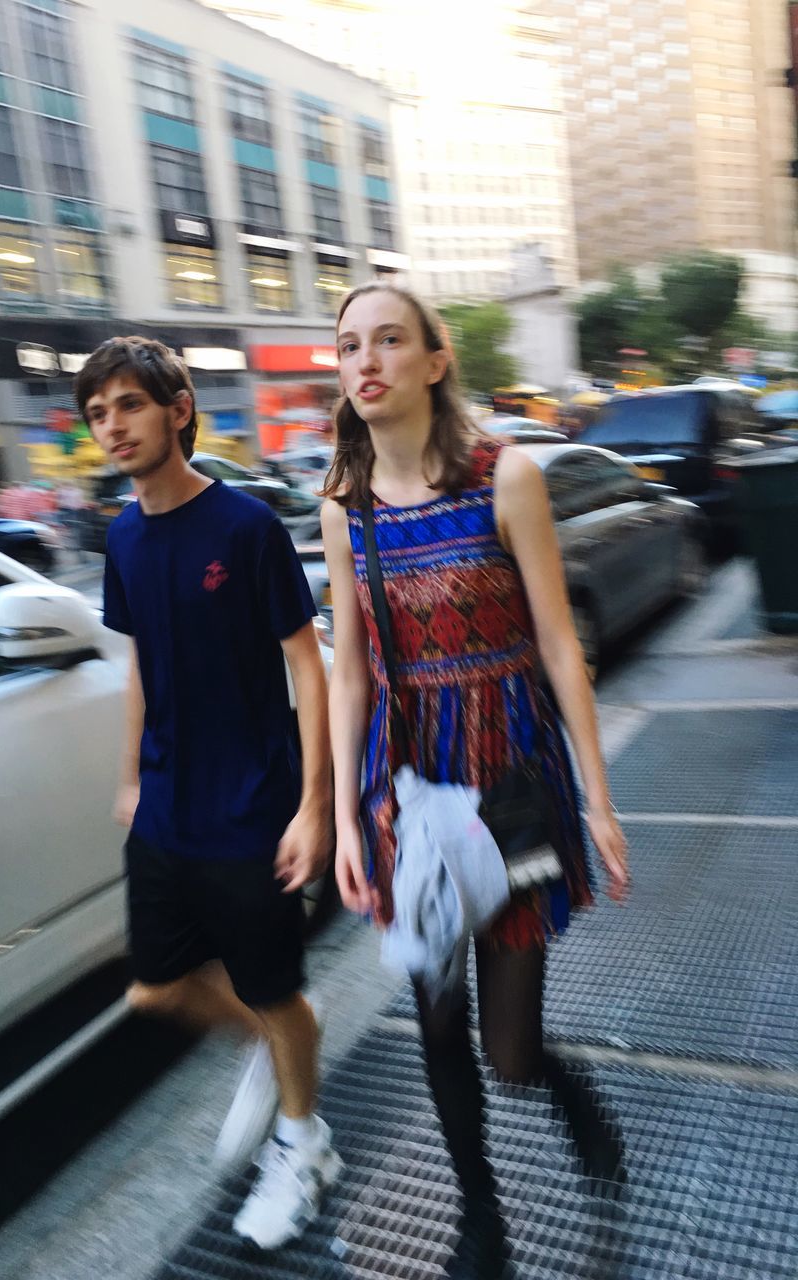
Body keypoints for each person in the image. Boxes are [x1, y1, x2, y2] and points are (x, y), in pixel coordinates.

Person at [320, 283, 630, 1279]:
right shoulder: (344, 499)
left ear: (434, 359)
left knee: (507, 1048)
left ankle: (559, 1081)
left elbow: (557, 641)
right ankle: (480, 1216)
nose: (366, 360)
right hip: (409, 786)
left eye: (389, 340)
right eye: (349, 346)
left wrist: (597, 792)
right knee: (436, 1010)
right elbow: (350, 669)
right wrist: (339, 821)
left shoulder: (508, 477)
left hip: (513, 782)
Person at [75, 337, 341, 1251]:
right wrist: (129, 778)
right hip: (168, 805)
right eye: (98, 411)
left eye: (129, 406)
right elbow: (143, 658)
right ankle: (278, 1047)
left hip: (252, 805)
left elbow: (306, 665)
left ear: (178, 409)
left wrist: (313, 805)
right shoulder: (121, 535)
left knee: (277, 988)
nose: (113, 425)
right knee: (155, 990)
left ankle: (305, 1144)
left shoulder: (245, 528)